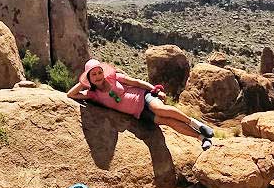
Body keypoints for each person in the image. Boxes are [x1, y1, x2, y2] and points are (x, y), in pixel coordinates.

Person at [67, 58, 214, 150]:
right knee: (167, 121)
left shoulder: (114, 78)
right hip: (139, 113)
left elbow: (135, 82)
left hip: (143, 97)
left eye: (100, 72)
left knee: (160, 109)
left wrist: (154, 90)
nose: (98, 76)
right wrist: (83, 82)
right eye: (94, 74)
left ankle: (196, 124)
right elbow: (71, 94)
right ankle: (202, 139)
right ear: (89, 78)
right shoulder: (94, 94)